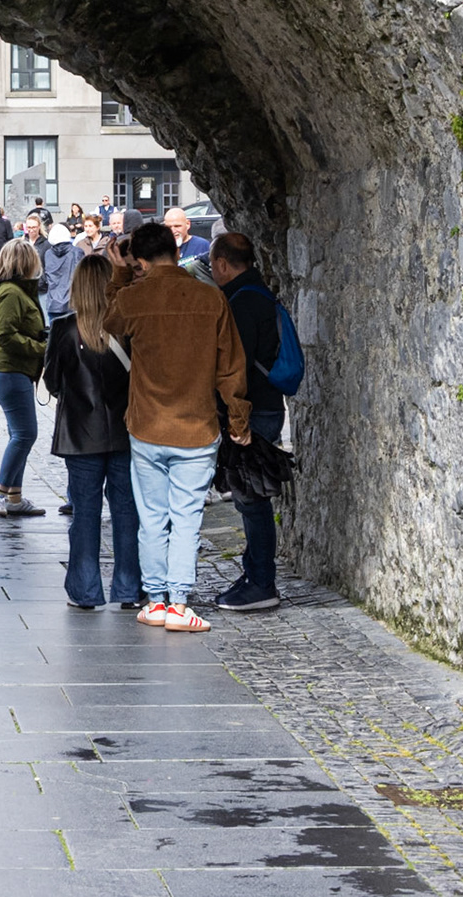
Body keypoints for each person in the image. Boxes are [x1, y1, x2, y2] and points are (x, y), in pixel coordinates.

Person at [103, 221, 250, 633]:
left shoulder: (135, 297)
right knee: (186, 518)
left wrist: (118, 274)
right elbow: (231, 365)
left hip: (147, 425)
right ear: (174, 249)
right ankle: (179, 602)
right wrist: (238, 418)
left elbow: (111, 321)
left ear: (143, 262)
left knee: (152, 518)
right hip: (196, 426)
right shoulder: (210, 298)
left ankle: (154, 600)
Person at [44, 255, 141, 609]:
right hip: (125, 430)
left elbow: (53, 381)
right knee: (126, 511)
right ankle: (129, 587)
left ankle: (85, 591)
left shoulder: (65, 328)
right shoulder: (126, 327)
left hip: (80, 434)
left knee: (85, 514)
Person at [210, 231, 288, 612]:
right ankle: (255, 572)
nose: (212, 270)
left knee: (251, 498)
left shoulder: (240, 303)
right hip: (266, 405)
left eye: (213, 264)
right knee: (248, 497)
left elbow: (233, 367)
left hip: (253, 410)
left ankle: (261, 582)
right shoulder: (259, 293)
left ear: (223, 264)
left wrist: (234, 418)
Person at [0, 237, 48, 516]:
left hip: (12, 370)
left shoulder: (17, 290)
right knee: (25, 434)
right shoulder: (11, 292)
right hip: (8, 370)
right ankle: (0, 494)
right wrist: (41, 348)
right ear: (25, 262)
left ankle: (15, 497)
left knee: (20, 434)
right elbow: (6, 335)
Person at [39, 221, 79, 322]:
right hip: (72, 301)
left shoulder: (48, 254)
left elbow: (45, 273)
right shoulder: (77, 252)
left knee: (55, 334)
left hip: (53, 301)